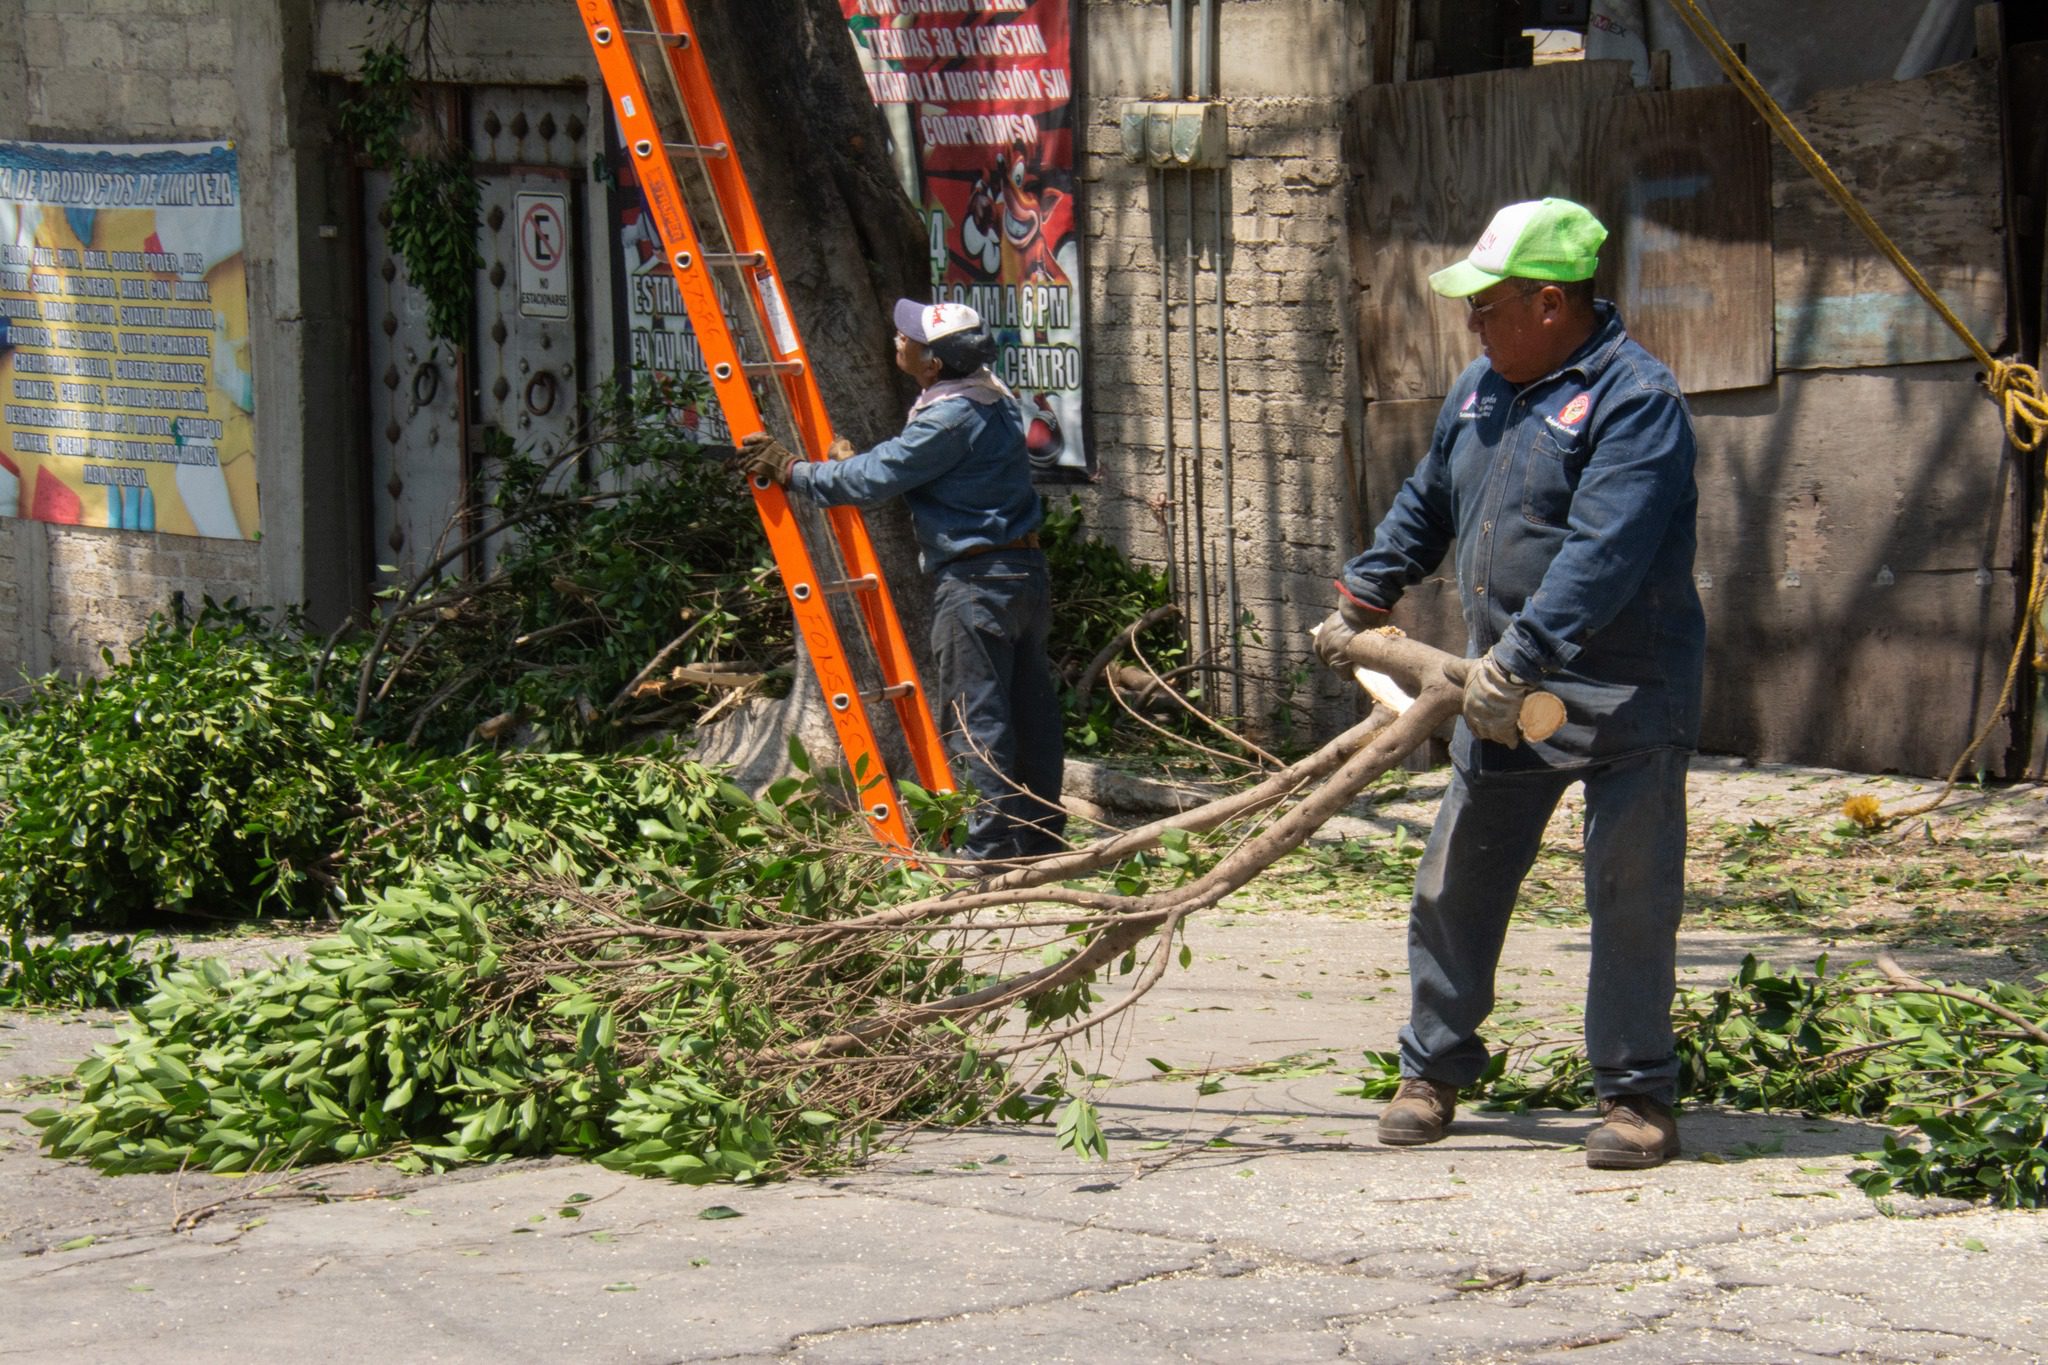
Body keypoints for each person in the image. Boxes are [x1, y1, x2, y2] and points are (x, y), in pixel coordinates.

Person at [1316, 198, 1705, 1169]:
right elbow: (1428, 499)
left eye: (1486, 306)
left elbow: (1603, 553)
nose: (1471, 323)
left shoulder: (1633, 400)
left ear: (1547, 302)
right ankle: (1432, 1070)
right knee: (1456, 880)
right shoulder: (1481, 389)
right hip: (1502, 700)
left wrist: (1519, 657)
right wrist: (1366, 592)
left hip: (1621, 699)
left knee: (1626, 896)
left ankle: (1634, 1099)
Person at [737, 299, 1066, 868]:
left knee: (977, 718)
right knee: (1030, 710)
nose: (897, 340)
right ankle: (1040, 839)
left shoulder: (949, 416)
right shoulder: (993, 399)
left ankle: (986, 855)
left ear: (933, 362)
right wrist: (857, 463)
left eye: (906, 337)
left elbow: (875, 478)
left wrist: (793, 470)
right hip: (1022, 576)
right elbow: (922, 468)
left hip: (975, 584)